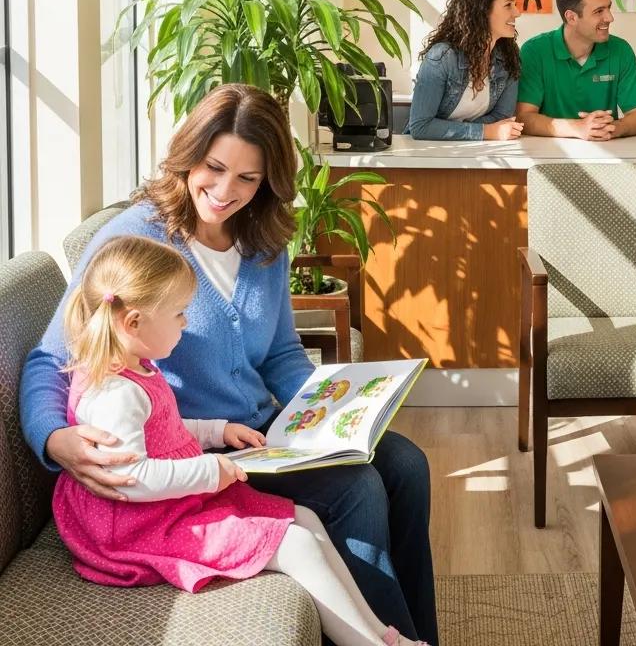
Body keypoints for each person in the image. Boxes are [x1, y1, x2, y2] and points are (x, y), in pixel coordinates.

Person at [20, 84, 437, 646]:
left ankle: (418, 634)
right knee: (357, 489)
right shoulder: (135, 241)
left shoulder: (263, 237)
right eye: (213, 168)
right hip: (191, 450)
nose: (224, 191)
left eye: (248, 178)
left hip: (255, 431)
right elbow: (51, 357)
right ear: (188, 154)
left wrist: (329, 407)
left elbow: (282, 353)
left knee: (407, 464)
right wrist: (54, 437)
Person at [53, 234, 425, 646]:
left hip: (167, 505)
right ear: (134, 322)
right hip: (139, 526)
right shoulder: (115, 393)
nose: (186, 323)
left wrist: (217, 432)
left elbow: (165, 429)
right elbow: (133, 477)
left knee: (306, 518)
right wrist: (212, 468)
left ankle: (382, 633)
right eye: (179, 314)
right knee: (296, 542)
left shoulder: (138, 368)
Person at [516, 0, 636, 140]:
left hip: (607, 152)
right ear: (572, 17)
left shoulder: (621, 50)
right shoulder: (534, 51)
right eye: (599, 11)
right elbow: (524, 118)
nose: (609, 18)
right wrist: (577, 128)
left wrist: (611, 128)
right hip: (549, 155)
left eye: (608, 8)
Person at [407, 0, 524, 141]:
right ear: (482, 10)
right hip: (427, 155)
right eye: (508, 5)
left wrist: (484, 131)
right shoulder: (442, 57)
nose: (517, 13)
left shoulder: (508, 58)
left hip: (478, 153)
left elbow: (502, 118)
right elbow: (420, 126)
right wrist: (485, 131)